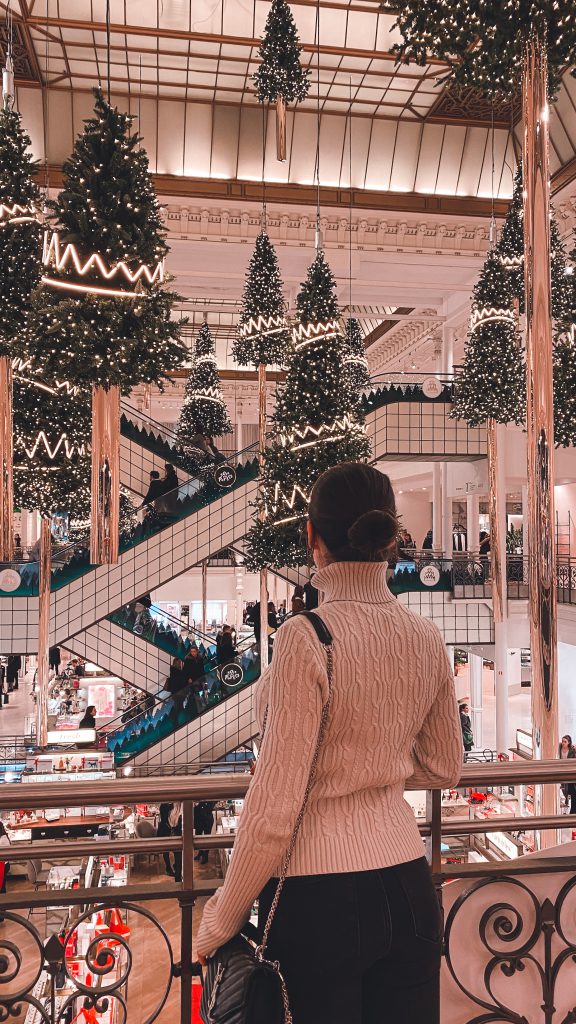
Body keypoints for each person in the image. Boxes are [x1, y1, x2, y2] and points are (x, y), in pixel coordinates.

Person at [196, 461, 462, 1023]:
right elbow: (443, 768)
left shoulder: (305, 637)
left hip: (318, 899)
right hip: (410, 886)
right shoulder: (426, 635)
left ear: (311, 537)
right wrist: (378, 767)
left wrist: (221, 918)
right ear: (390, 538)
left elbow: (273, 810)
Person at [194, 801, 216, 865]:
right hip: (198, 819)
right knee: (198, 837)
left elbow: (211, 806)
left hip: (207, 819)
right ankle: (200, 852)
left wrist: (200, 804)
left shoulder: (210, 796)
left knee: (207, 838)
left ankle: (205, 856)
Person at [157, 803, 176, 877]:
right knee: (166, 851)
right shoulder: (166, 806)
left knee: (169, 850)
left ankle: (172, 866)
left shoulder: (165, 806)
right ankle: (168, 868)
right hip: (165, 829)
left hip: (164, 828)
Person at [559, 734, 576, 814]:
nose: (563, 743)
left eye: (565, 741)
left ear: (568, 743)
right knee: (564, 789)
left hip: (569, 772)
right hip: (561, 771)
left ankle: (573, 810)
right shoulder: (559, 747)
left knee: (572, 791)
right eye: (562, 741)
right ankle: (566, 803)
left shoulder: (572, 750)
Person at [0, 821, 10, 922]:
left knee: (2, 889)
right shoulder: (3, 838)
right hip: (3, 865)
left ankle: (2, 914)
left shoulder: (3, 840)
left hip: (3, 866)